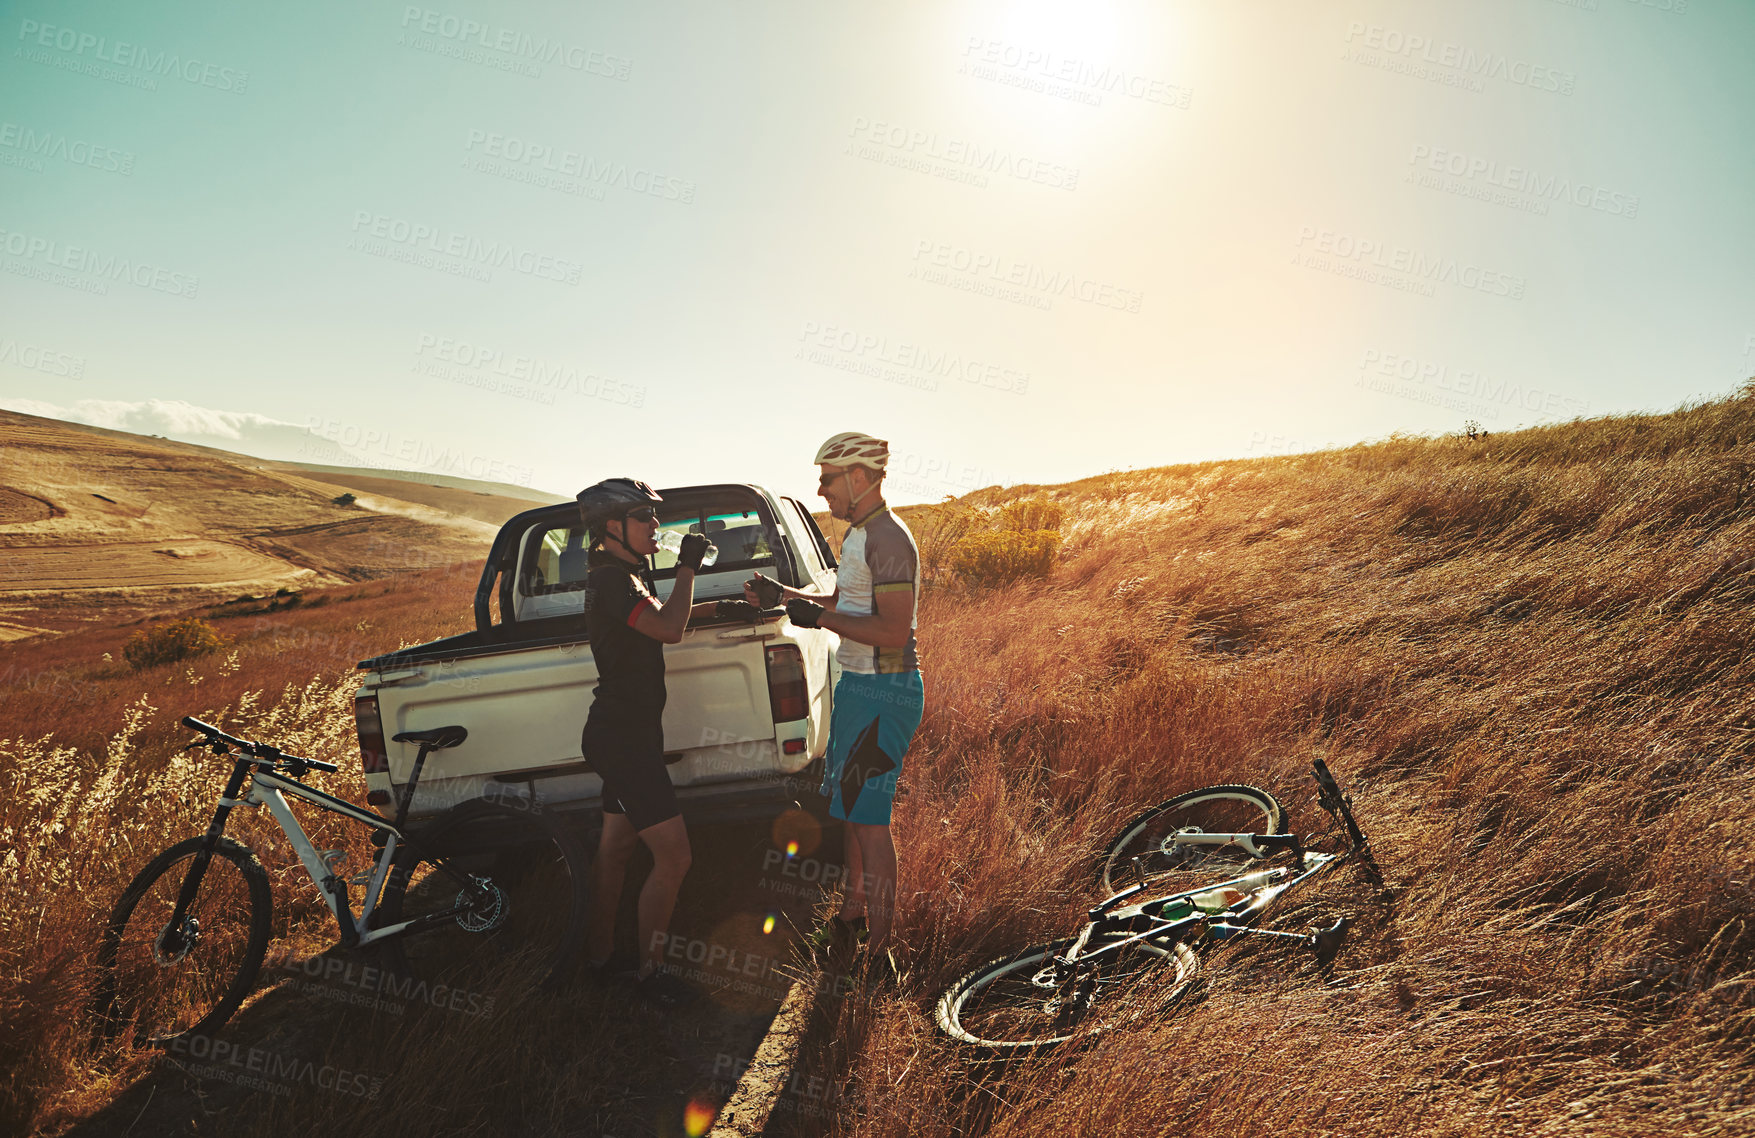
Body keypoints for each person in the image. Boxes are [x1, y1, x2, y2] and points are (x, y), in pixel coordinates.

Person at [747, 432, 924, 972]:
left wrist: (819, 619)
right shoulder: (859, 535)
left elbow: (893, 631)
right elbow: (845, 604)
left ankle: (881, 954)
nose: (820, 489)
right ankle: (850, 921)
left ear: (859, 477)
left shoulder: (889, 539)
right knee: (851, 813)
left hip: (884, 689)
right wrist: (790, 599)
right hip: (858, 689)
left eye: (827, 478)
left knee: (871, 822)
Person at [575, 477, 718, 1008]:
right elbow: (668, 630)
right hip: (625, 739)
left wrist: (721, 605)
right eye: (644, 516)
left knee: (615, 850)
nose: (655, 524)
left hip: (621, 733)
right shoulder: (614, 581)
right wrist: (687, 569)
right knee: (676, 857)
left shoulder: (618, 576)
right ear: (612, 527)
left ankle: (597, 960)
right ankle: (649, 974)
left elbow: (661, 619)